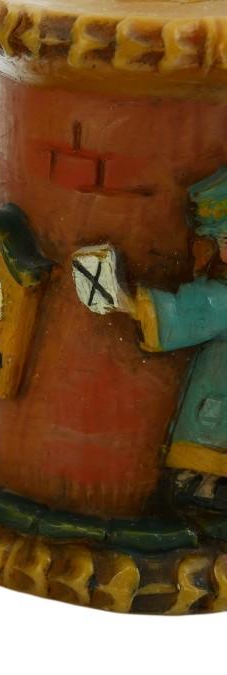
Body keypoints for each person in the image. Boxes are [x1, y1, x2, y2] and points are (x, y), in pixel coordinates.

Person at [80, 168, 227, 512]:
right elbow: (186, 312)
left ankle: (203, 485)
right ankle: (200, 484)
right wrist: (127, 301)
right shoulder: (219, 296)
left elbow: (186, 313)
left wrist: (125, 300)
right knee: (209, 442)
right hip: (217, 393)